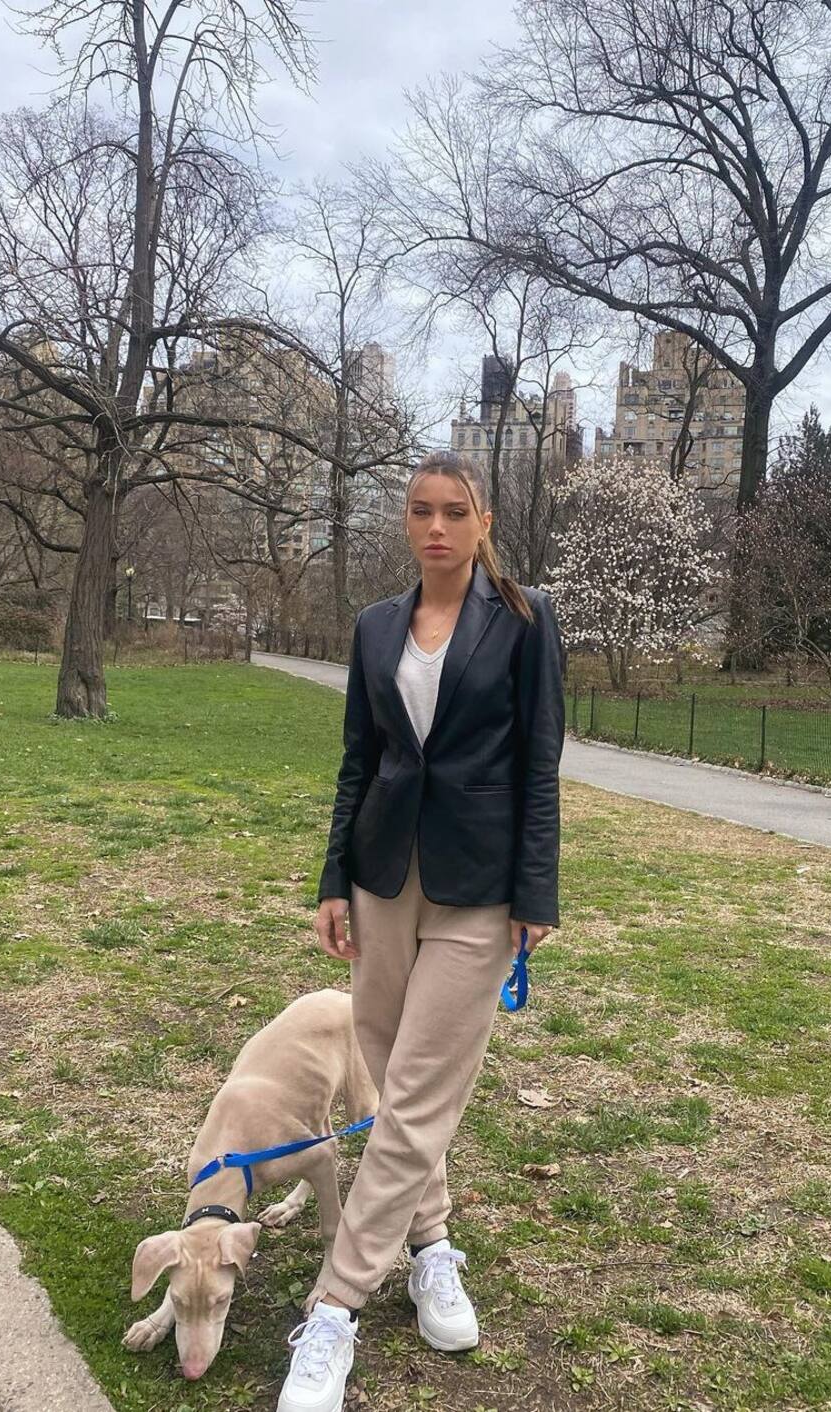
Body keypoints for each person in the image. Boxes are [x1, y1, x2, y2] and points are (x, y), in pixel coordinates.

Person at [277, 451, 565, 1412]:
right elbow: (358, 762)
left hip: (479, 889)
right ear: (405, 522)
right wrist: (334, 880)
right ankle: (432, 1243)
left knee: (415, 1095)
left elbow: (540, 765)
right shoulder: (375, 626)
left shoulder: (526, 621)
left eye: (454, 512)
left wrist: (536, 894)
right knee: (394, 1074)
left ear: (483, 523)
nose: (436, 528)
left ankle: (335, 1307)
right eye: (420, 511)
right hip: (382, 878)